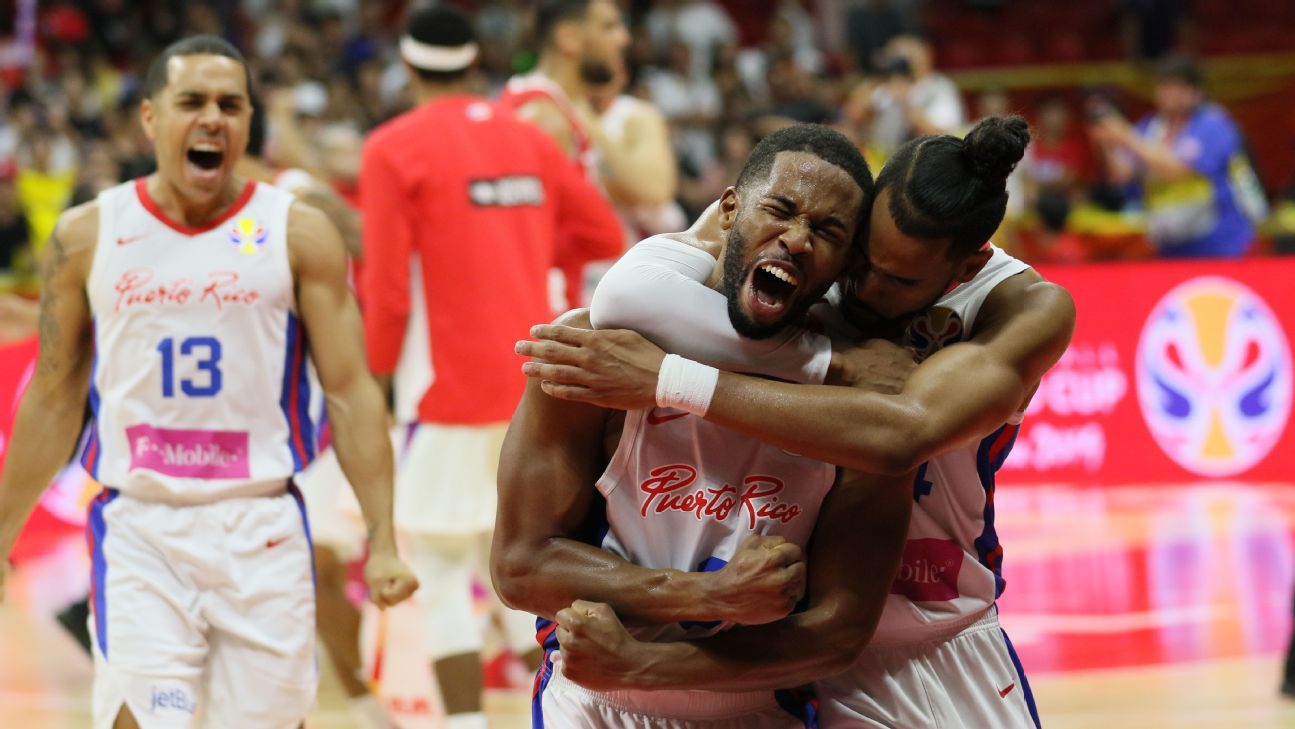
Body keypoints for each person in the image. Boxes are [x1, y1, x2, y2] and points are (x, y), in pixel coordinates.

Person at [518, 115, 1075, 728]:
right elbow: (626, 294)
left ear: (962, 271)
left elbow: (898, 434)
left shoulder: (1018, 306)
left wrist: (671, 379)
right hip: (779, 652)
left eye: (895, 279)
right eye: (859, 257)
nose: (859, 290)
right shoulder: (798, 245)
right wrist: (824, 362)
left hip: (929, 632)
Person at [0, 35, 419, 728]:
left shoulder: (299, 234)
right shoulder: (87, 234)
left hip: (262, 522)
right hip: (140, 525)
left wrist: (382, 539)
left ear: (250, 121)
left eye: (231, 104)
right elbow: (52, 395)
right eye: (191, 101)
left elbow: (350, 389)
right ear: (149, 118)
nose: (212, 118)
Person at [494, 123, 914, 728]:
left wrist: (644, 661)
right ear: (729, 210)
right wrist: (703, 597)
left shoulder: (858, 392)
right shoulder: (600, 351)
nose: (796, 240)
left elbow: (838, 633)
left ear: (845, 263)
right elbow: (520, 566)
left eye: (826, 232)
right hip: (594, 703)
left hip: (759, 704)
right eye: (781, 210)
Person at [358, 7, 622, 729]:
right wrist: (525, 260)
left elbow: (383, 292)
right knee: (526, 554)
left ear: (407, 68)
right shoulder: (526, 138)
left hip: (443, 391)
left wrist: (368, 382)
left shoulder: (390, 148)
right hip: (531, 383)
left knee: (443, 565)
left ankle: (464, 724)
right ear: (476, 63)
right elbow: (601, 232)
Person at [497, 0, 630, 308]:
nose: (624, 39)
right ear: (568, 37)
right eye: (609, 26)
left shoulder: (554, 108)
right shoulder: (545, 120)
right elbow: (525, 236)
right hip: (552, 306)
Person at [1088, 55, 1265, 258]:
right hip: (1170, 247)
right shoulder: (1150, 127)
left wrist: (1125, 135)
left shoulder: (1213, 124)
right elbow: (1122, 175)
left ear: (1196, 92)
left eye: (1177, 88)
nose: (1169, 94)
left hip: (1221, 243)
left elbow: (1177, 170)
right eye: (1164, 87)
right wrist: (1107, 140)